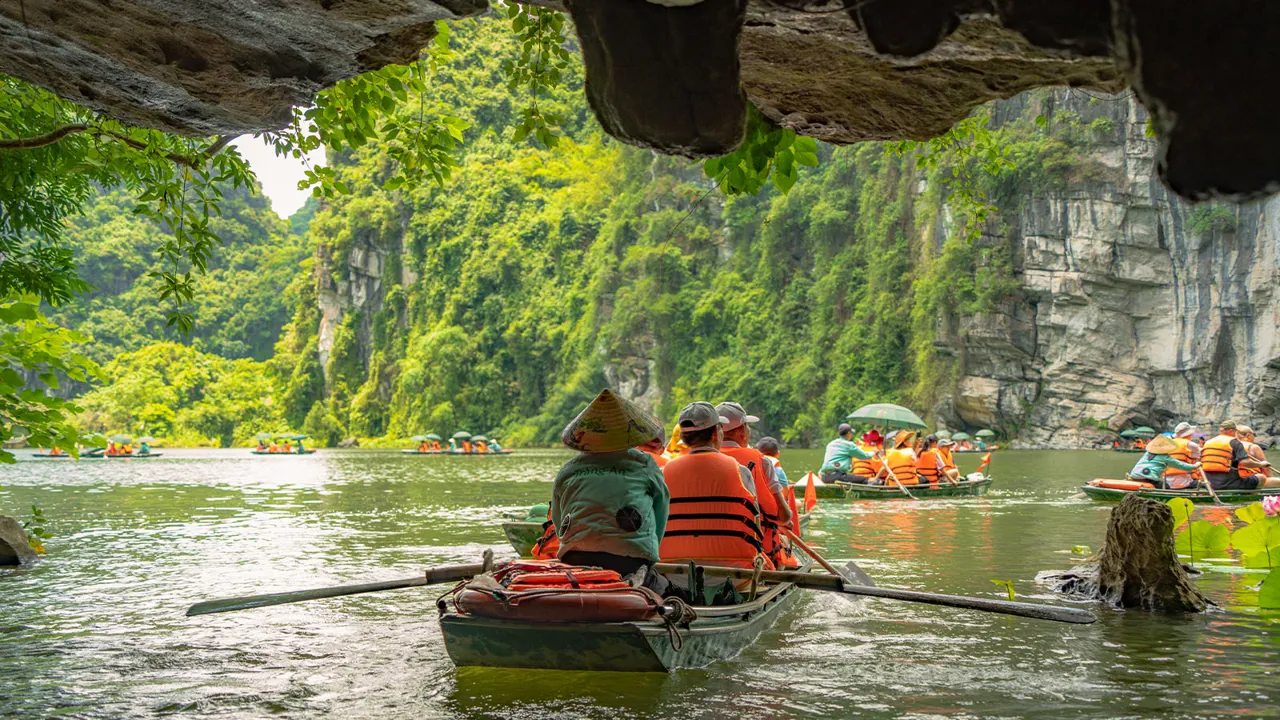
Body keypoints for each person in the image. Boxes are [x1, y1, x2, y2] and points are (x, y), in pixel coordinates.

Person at [552, 388, 669, 592]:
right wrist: (650, 550)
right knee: (664, 587)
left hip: (574, 559)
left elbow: (558, 520)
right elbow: (661, 510)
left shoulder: (568, 469)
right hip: (630, 560)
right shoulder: (644, 464)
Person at [660, 402, 770, 572]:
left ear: (684, 437)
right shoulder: (741, 472)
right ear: (715, 433)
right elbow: (755, 521)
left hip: (673, 573)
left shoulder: (663, 473)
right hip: (735, 573)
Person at [716, 401, 798, 568]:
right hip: (751, 554)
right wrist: (785, 520)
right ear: (741, 431)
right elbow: (782, 515)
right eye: (747, 426)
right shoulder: (762, 462)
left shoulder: (683, 462)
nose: (749, 431)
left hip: (697, 553)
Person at [1201, 421, 1273, 490]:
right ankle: (1251, 498)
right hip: (1230, 483)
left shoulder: (1208, 442)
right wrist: (1261, 464)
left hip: (1210, 483)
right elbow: (1245, 462)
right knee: (1262, 478)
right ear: (1232, 431)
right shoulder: (1234, 442)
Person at [1127, 434, 1200, 487]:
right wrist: (1195, 466)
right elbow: (1182, 466)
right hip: (1148, 478)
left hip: (1134, 475)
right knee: (1167, 486)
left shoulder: (1147, 454)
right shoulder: (1165, 457)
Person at [1162, 422, 1202, 489]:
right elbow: (1198, 459)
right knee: (1206, 483)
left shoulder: (1167, 443)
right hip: (1183, 481)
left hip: (1166, 481)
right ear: (1188, 434)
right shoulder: (1191, 445)